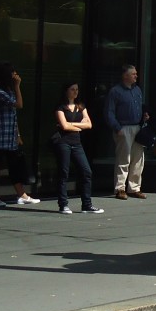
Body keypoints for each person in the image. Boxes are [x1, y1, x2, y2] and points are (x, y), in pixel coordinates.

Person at [0, 61, 38, 208]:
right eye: (13, 73)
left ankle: (21, 195)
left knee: (14, 166)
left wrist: (18, 135)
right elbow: (19, 105)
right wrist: (17, 86)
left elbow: (14, 115)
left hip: (10, 136)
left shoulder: (9, 91)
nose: (16, 76)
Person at [53, 82, 102, 214]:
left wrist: (71, 124)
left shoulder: (81, 106)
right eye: (72, 89)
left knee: (87, 172)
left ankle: (87, 204)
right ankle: (63, 204)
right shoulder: (61, 107)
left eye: (77, 89)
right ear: (66, 91)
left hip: (76, 143)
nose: (75, 92)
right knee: (64, 173)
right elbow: (64, 127)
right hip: (63, 142)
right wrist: (79, 125)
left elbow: (89, 124)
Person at [105, 63, 148, 200]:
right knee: (124, 158)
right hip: (124, 128)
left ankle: (134, 187)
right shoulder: (115, 91)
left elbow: (140, 107)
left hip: (137, 127)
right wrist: (117, 128)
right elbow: (109, 112)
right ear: (125, 76)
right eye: (133, 73)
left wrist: (144, 117)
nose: (136, 76)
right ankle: (120, 188)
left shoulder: (137, 90)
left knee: (138, 159)